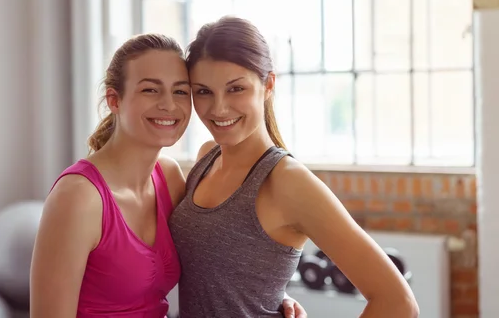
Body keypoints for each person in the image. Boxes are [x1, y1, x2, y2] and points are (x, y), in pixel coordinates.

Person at [29, 33, 306, 318]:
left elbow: (210, 254)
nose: (169, 105)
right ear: (114, 99)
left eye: (180, 91)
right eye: (150, 90)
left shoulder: (169, 177)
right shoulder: (78, 197)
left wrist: (273, 295)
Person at [169, 16, 420, 318]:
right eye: (204, 91)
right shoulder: (206, 157)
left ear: (268, 85)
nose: (219, 108)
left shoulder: (288, 181)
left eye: (236, 89)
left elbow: (398, 302)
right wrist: (272, 294)